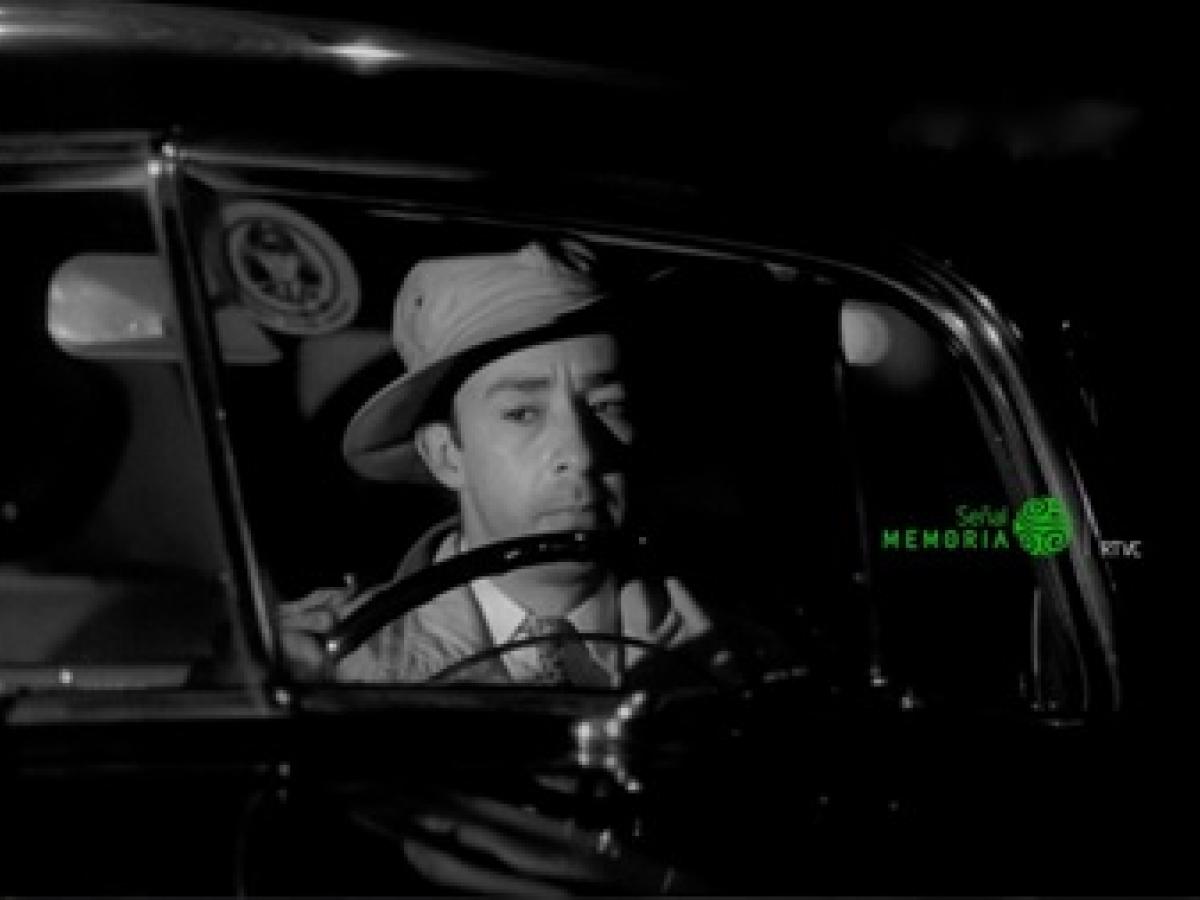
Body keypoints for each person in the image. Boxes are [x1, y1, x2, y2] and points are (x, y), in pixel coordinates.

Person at [280, 239, 715, 685]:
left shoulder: (730, 647)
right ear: (446, 455)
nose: (581, 454)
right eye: (522, 413)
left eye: (607, 405)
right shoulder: (337, 668)